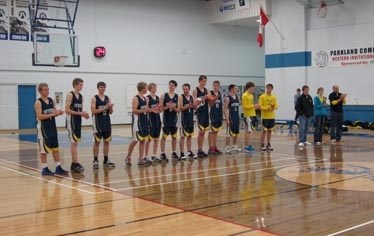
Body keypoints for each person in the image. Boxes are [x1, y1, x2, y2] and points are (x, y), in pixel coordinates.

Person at [34, 83, 68, 176]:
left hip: (52, 127)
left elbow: (54, 112)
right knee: (43, 150)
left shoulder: (51, 100)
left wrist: (58, 113)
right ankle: (44, 168)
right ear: (40, 91)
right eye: (45, 89)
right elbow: (39, 116)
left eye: (48, 89)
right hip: (43, 129)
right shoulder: (38, 102)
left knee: (55, 148)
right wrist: (53, 114)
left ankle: (58, 167)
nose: (47, 91)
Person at [65, 78, 90, 173]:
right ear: (75, 85)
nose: (82, 86)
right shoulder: (70, 95)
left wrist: (84, 115)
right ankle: (75, 163)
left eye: (82, 85)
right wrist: (80, 114)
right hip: (71, 121)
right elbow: (67, 110)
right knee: (74, 142)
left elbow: (80, 110)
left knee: (76, 142)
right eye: (80, 85)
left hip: (78, 120)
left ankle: (74, 163)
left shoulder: (81, 96)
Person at [125, 82, 152, 166]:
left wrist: (152, 109)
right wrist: (145, 110)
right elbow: (134, 110)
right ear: (143, 88)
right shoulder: (135, 98)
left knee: (143, 141)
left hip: (144, 122)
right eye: (146, 87)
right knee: (135, 141)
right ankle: (128, 156)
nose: (147, 89)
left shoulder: (145, 98)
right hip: (137, 123)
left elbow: (146, 110)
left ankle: (141, 158)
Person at [91, 81, 115, 169]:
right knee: (97, 142)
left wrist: (111, 107)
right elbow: (93, 111)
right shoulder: (94, 98)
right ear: (98, 88)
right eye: (101, 87)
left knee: (107, 142)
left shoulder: (107, 98)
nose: (103, 89)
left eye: (104, 87)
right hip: (98, 123)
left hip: (106, 122)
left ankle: (106, 159)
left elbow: (111, 112)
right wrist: (105, 107)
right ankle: (95, 160)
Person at [160, 80, 179, 160]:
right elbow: (160, 109)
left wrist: (173, 107)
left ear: (175, 87)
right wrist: (167, 107)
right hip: (166, 119)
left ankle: (174, 152)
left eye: (172, 85)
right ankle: (162, 153)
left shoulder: (178, 97)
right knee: (164, 136)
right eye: (170, 85)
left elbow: (178, 110)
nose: (171, 86)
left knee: (174, 137)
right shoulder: (163, 96)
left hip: (174, 120)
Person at [193, 75, 209, 158]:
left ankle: (201, 149)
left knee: (204, 132)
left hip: (206, 111)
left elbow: (208, 102)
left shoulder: (206, 90)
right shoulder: (195, 90)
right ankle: (199, 150)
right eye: (203, 81)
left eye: (206, 81)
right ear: (199, 81)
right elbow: (194, 104)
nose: (205, 82)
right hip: (200, 112)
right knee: (201, 132)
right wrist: (203, 99)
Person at [145, 83, 162, 163]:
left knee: (156, 139)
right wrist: (153, 110)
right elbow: (146, 109)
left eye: (155, 88)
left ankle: (154, 155)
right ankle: (146, 156)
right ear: (149, 89)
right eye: (153, 88)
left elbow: (159, 109)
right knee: (149, 139)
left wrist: (160, 109)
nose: (154, 89)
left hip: (157, 120)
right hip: (150, 120)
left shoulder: (158, 98)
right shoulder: (147, 98)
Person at [259, 84, 278, 151]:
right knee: (264, 131)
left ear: (272, 89)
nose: (269, 89)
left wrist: (273, 107)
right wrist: (267, 108)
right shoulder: (262, 97)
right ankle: (262, 144)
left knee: (270, 131)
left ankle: (268, 143)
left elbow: (276, 106)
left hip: (271, 116)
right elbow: (260, 106)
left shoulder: (273, 97)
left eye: (270, 88)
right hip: (265, 117)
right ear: (266, 88)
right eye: (268, 88)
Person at [242, 82, 260, 152]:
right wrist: (254, 106)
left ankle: (248, 145)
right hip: (247, 115)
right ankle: (247, 146)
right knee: (248, 131)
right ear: (249, 87)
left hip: (252, 114)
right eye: (253, 88)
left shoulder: (251, 95)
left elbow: (251, 106)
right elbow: (245, 107)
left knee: (249, 131)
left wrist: (256, 107)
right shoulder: (245, 95)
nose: (253, 89)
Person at [224, 84, 242, 153]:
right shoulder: (228, 98)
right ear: (231, 89)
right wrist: (227, 119)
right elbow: (225, 109)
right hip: (230, 117)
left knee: (236, 132)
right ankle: (227, 147)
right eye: (235, 88)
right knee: (229, 133)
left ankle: (234, 146)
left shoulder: (237, 97)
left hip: (236, 117)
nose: (237, 90)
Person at [179, 83, 195, 160]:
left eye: (186, 89)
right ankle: (182, 153)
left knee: (189, 136)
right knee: (182, 136)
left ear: (189, 89)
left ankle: (189, 151)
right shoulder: (181, 97)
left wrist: (195, 105)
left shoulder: (191, 97)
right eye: (184, 89)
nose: (185, 90)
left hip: (190, 119)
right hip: (183, 119)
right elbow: (180, 108)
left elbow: (194, 107)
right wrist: (188, 106)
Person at [208, 80, 223, 155]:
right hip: (211, 114)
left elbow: (220, 106)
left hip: (218, 115)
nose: (216, 87)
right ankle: (210, 148)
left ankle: (214, 147)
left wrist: (221, 116)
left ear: (219, 86)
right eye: (214, 85)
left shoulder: (219, 93)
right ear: (212, 86)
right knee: (211, 132)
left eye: (217, 85)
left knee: (216, 132)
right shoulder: (210, 93)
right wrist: (214, 99)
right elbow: (210, 105)